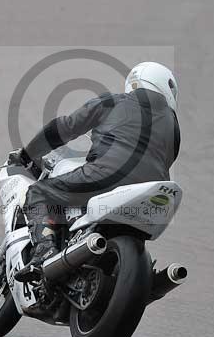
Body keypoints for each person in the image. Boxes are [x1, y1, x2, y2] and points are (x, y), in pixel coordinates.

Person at [14, 62, 181, 283]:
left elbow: (64, 128)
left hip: (105, 176)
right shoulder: (174, 125)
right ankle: (148, 281)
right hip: (152, 191)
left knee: (38, 193)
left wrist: (27, 154)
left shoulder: (112, 102)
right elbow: (166, 159)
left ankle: (44, 251)